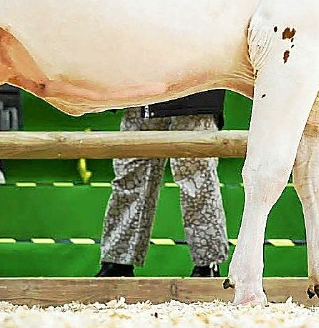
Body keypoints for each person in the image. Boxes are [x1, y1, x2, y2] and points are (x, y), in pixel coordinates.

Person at [96, 91, 229, 277]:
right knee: (131, 175)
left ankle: (208, 264)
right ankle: (117, 263)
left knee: (197, 178)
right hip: (141, 86)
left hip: (196, 83)